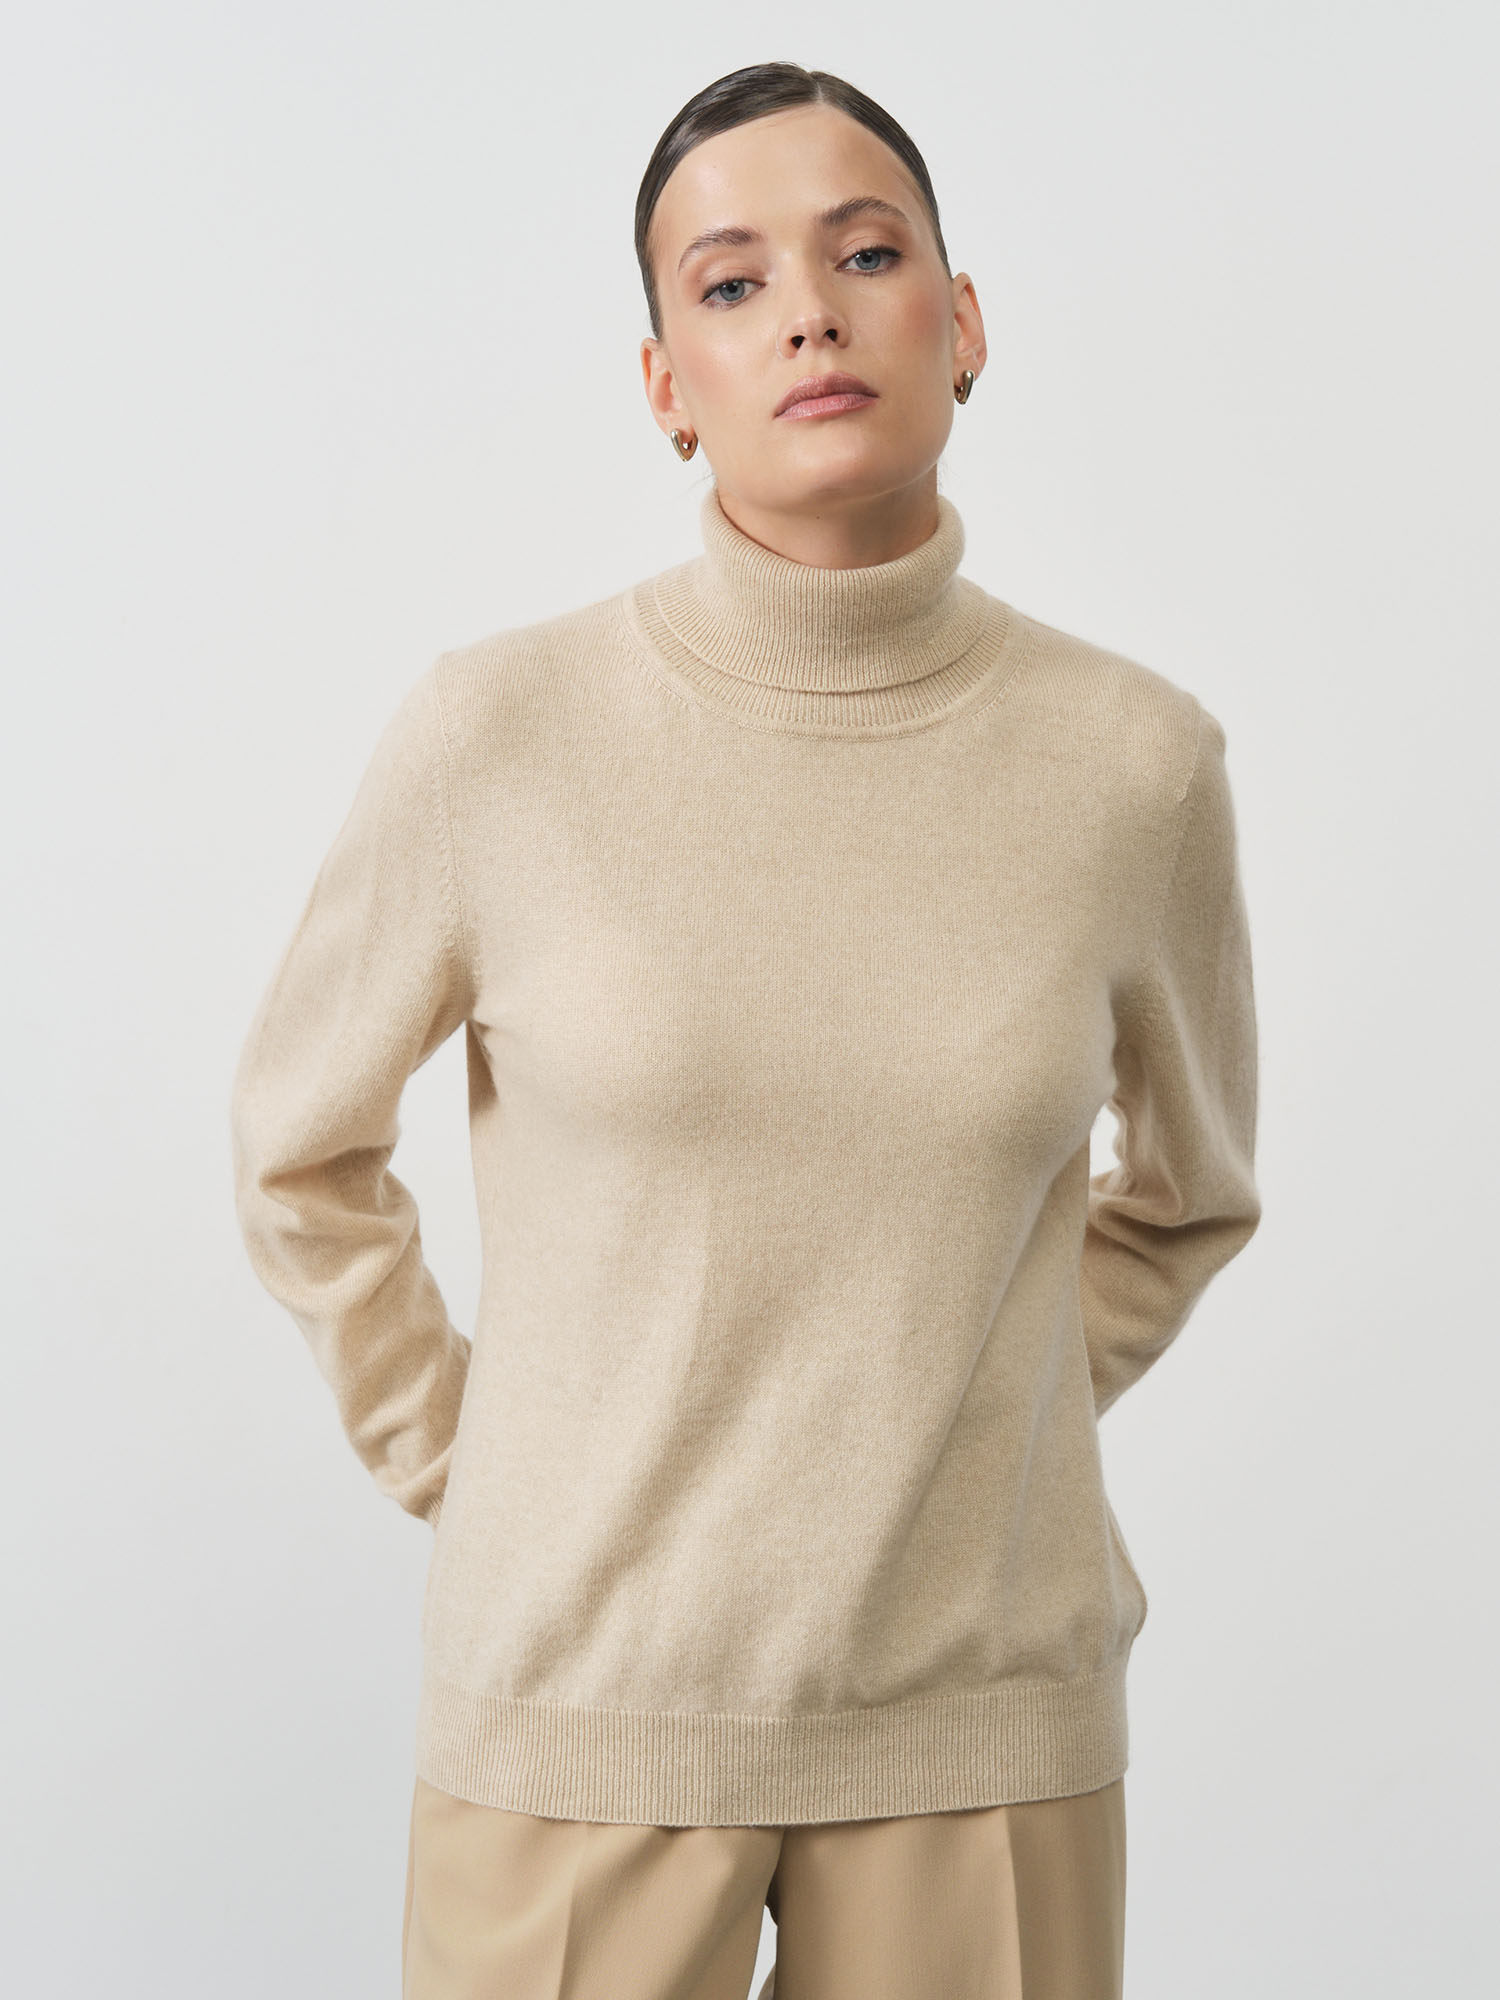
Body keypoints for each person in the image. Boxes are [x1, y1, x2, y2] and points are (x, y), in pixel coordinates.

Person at [229, 60, 1262, 2000]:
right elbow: (300, 1150)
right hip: (585, 1707)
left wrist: (977, 1430)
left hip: (984, 1725)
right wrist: (479, 1461)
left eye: (865, 255)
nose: (806, 311)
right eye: (730, 281)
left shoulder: (1134, 765)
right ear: (665, 387)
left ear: (962, 325)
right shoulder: (496, 734)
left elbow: (1190, 1194)